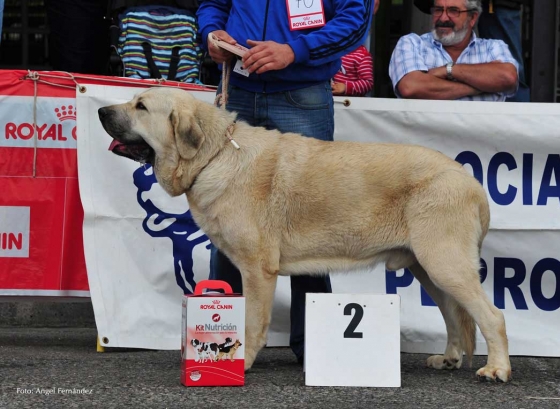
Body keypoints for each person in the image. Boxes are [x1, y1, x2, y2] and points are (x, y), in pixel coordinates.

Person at [196, 0, 374, 363]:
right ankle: (221, 347)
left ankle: (316, 348)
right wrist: (211, 34)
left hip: (302, 92)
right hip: (239, 89)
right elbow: (212, 4)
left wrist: (295, 50)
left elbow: (356, 19)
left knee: (310, 219)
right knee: (228, 220)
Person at [389, 0, 518, 101]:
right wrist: (478, 87)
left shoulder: (493, 48)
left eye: (453, 11)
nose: (443, 18)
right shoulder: (412, 43)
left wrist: (449, 70)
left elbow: (508, 78)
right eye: (438, 10)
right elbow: (410, 87)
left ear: (472, 18)